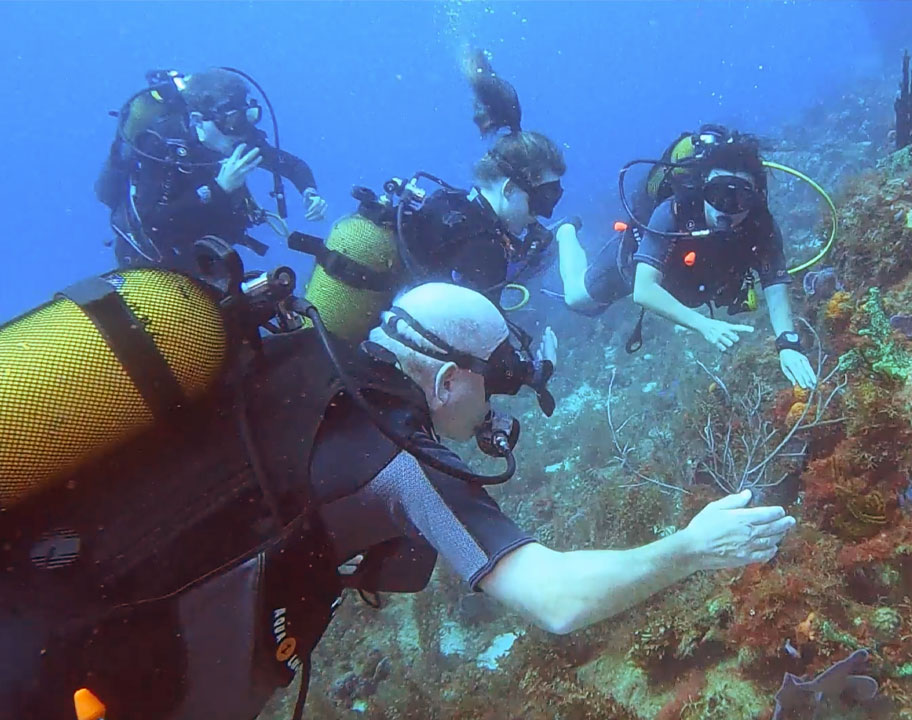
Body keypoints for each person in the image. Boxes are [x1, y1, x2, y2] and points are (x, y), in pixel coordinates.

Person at [0, 272, 795, 719]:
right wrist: (692, 547)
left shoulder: (289, 362)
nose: (495, 412)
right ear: (450, 379)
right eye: (496, 387)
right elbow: (557, 600)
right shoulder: (398, 457)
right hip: (57, 675)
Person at [555, 125, 818, 389]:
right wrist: (704, 325)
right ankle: (566, 231)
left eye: (739, 198)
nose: (725, 209)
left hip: (693, 281)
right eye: (717, 195)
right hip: (636, 266)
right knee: (576, 297)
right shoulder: (675, 211)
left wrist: (788, 344)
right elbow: (644, 290)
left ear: (755, 198)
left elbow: (774, 283)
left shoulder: (761, 225)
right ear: (703, 189)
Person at [95, 68, 329, 273]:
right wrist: (218, 189)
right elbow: (153, 223)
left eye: (248, 117)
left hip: (210, 255)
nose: (240, 131)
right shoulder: (162, 147)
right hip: (152, 260)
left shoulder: (238, 137)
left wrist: (309, 191)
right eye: (232, 121)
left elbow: (291, 165)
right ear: (199, 120)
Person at [391, 50, 568, 304]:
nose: (543, 213)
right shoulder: (484, 248)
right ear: (508, 190)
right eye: (542, 200)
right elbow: (478, 335)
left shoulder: (455, 206)